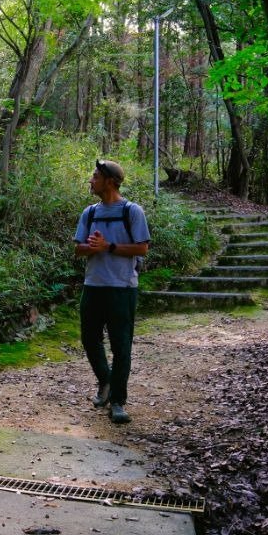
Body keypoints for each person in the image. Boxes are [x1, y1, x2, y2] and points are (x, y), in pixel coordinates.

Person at [73, 160, 150, 425]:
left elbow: (142, 248)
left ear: (109, 181)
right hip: (93, 286)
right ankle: (105, 381)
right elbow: (78, 248)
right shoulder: (90, 212)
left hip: (122, 288)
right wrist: (91, 248)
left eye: (95, 176)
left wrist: (109, 246)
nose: (91, 180)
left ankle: (117, 401)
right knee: (89, 339)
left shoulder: (132, 211)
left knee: (121, 346)